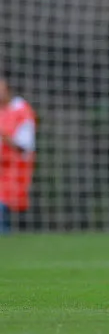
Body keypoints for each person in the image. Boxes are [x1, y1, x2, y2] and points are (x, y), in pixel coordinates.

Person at [0, 77, 37, 235]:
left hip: (13, 170)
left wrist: (6, 138)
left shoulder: (22, 111)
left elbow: (25, 145)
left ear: (8, 90)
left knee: (2, 207)